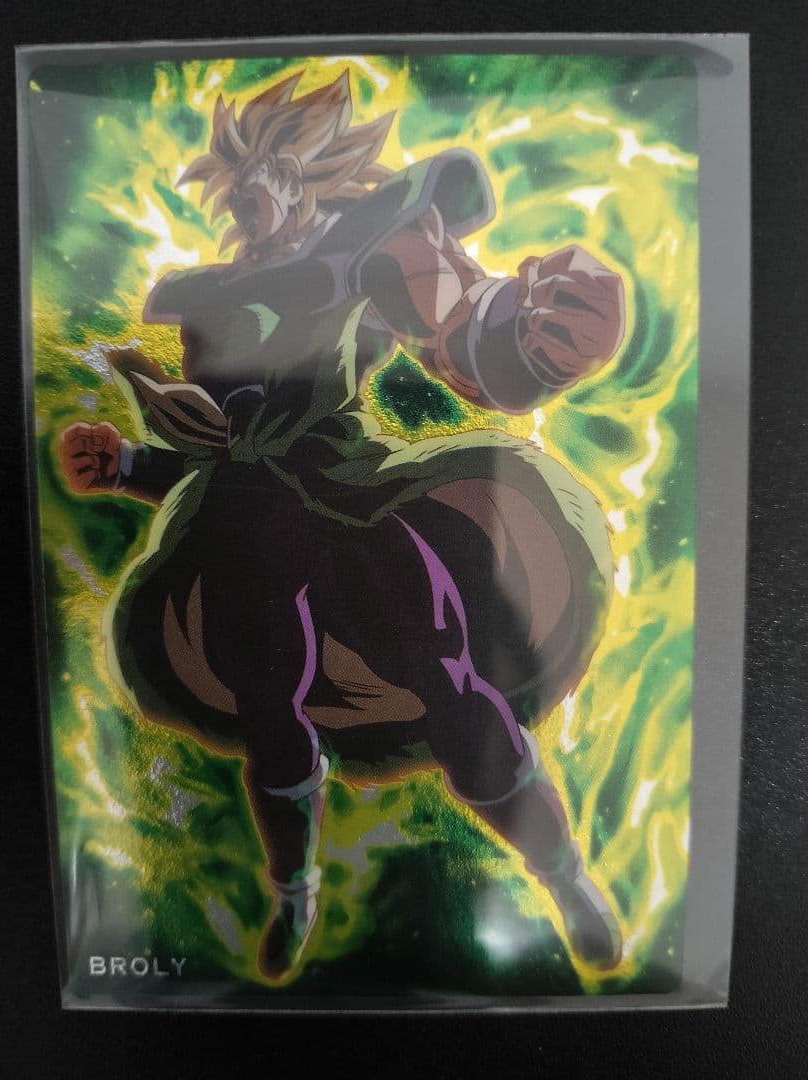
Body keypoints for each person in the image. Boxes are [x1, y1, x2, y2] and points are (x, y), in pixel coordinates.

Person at [59, 70, 626, 979]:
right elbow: (224, 449)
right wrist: (124, 464)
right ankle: (295, 894)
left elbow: (461, 324)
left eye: (273, 170)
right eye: (241, 181)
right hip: (241, 522)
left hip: (345, 497)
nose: (253, 195)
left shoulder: (370, 245)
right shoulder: (202, 295)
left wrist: (534, 330)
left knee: (442, 675)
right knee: (269, 709)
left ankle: (564, 878)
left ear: (307, 174)